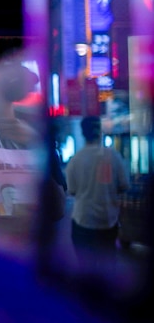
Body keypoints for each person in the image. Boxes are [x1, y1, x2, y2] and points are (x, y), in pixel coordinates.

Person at [66, 116, 130, 271]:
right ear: (100, 132)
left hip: (83, 221)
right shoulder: (113, 156)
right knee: (107, 266)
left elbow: (72, 191)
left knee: (85, 267)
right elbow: (124, 185)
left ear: (83, 133)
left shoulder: (75, 160)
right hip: (107, 221)